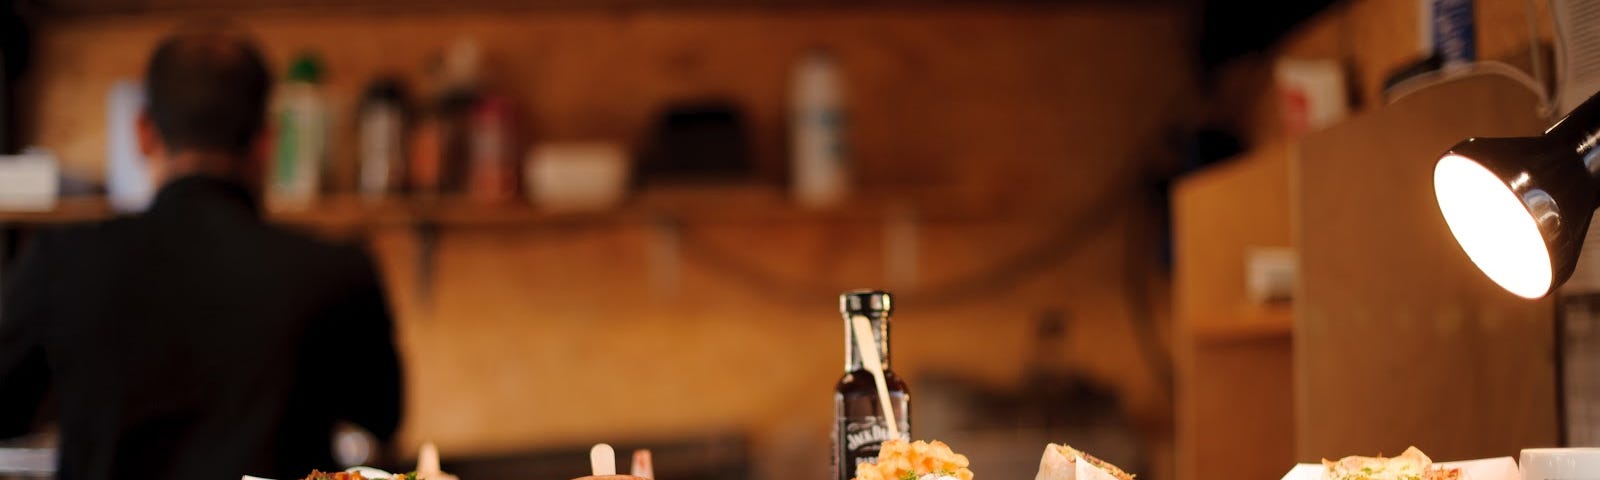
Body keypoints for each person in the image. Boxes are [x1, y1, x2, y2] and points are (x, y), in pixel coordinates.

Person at [0, 25, 403, 480]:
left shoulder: (60, 261)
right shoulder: (338, 271)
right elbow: (383, 418)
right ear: (267, 142)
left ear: (143, 132)